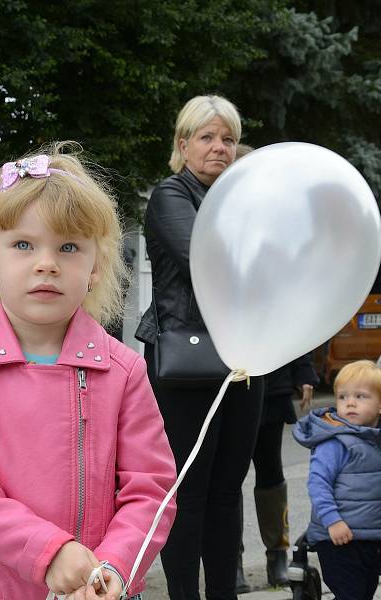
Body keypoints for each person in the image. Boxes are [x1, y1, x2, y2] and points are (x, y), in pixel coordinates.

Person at [0, 143, 177, 600]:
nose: (46, 263)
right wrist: (48, 551)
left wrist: (115, 568)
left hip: (96, 589)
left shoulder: (123, 370)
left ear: (95, 267)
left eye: (68, 247)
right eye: (23, 245)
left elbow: (150, 490)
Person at [134, 94, 265, 600]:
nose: (220, 148)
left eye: (229, 139)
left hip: (244, 355)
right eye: (208, 138)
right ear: (183, 144)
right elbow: (212, 261)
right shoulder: (172, 195)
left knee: (229, 488)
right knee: (189, 490)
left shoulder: (240, 199)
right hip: (186, 360)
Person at [292, 360, 381, 600]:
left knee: (363, 592)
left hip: (370, 535)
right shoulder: (335, 442)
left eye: (360, 396)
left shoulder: (379, 438)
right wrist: (333, 521)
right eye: (342, 397)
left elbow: (373, 463)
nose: (350, 403)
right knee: (351, 594)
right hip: (338, 537)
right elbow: (318, 484)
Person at [237, 353, 318, 592]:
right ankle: (231, 561)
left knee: (271, 472)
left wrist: (304, 373)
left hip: (273, 382)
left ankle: (277, 556)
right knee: (229, 481)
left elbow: (290, 321)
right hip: (232, 383)